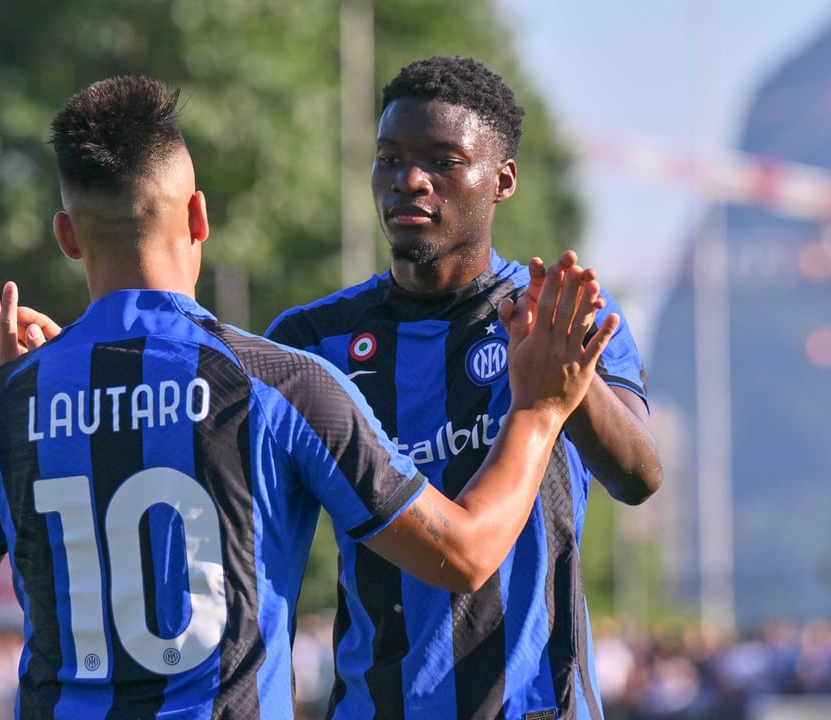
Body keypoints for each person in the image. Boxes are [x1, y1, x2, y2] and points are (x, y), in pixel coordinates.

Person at [0, 74, 619, 718]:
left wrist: (17, 408)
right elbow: (463, 555)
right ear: (198, 218)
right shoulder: (282, 386)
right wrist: (538, 410)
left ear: (66, 236)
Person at [263, 56, 663, 719]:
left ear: (502, 179)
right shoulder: (312, 341)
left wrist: (567, 382)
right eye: (390, 159)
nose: (409, 180)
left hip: (539, 707)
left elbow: (639, 476)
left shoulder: (563, 317)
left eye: (442, 161)